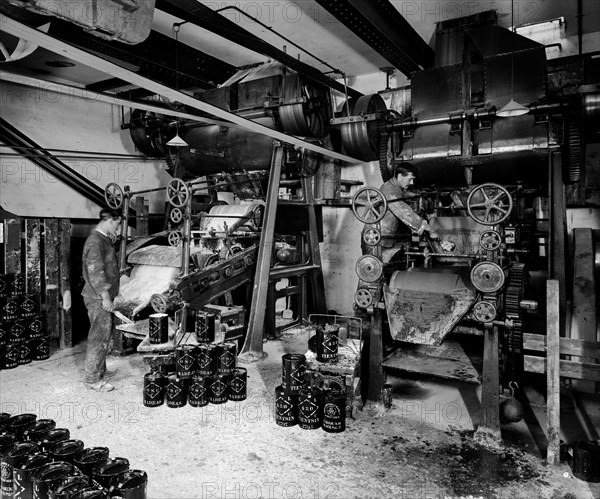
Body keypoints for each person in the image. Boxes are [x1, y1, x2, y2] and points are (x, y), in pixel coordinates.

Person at [81, 208, 122, 392]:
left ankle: (99, 370)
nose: (118, 228)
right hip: (97, 297)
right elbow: (95, 272)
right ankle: (92, 379)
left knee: (103, 335)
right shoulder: (95, 242)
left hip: (101, 296)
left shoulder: (102, 240)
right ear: (110, 220)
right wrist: (105, 297)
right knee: (99, 337)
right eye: (118, 223)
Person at [361, 164, 438, 255]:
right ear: (400, 176)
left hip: (380, 237)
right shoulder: (390, 191)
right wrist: (429, 229)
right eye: (410, 179)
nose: (412, 183)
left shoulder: (392, 185)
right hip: (375, 239)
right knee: (375, 266)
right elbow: (405, 214)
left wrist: (416, 194)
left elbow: (401, 193)